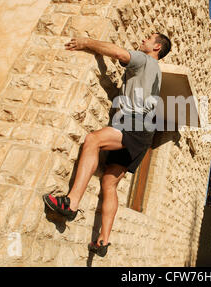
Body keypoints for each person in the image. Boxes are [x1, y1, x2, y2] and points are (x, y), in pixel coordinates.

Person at [43, 33, 172, 257]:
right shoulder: (153, 71)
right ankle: (103, 240)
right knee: (109, 183)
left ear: (157, 47)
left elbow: (118, 53)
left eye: (149, 38)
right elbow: (123, 60)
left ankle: (70, 203)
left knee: (93, 139)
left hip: (134, 125)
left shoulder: (146, 60)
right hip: (144, 135)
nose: (142, 39)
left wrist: (87, 43)